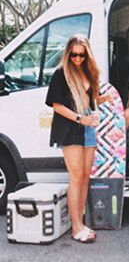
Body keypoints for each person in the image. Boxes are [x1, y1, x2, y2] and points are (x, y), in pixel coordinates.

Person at [45, 34, 111, 243]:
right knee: (76, 176)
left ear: (87, 54)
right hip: (70, 129)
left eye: (81, 55)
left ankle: (80, 222)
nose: (77, 58)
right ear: (67, 53)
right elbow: (56, 105)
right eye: (73, 54)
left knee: (84, 178)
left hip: (88, 129)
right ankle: (76, 227)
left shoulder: (89, 73)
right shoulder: (60, 74)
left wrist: (104, 99)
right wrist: (79, 118)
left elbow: (89, 100)